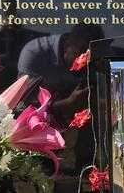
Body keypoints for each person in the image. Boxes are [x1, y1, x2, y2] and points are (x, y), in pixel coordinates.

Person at [17, 24, 107, 184]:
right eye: (82, 57)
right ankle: (42, 161)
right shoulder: (34, 53)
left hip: (73, 102)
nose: (87, 63)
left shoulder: (102, 54)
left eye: (93, 59)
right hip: (44, 108)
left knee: (97, 105)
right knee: (38, 115)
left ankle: (85, 163)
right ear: (67, 47)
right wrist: (69, 103)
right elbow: (24, 104)